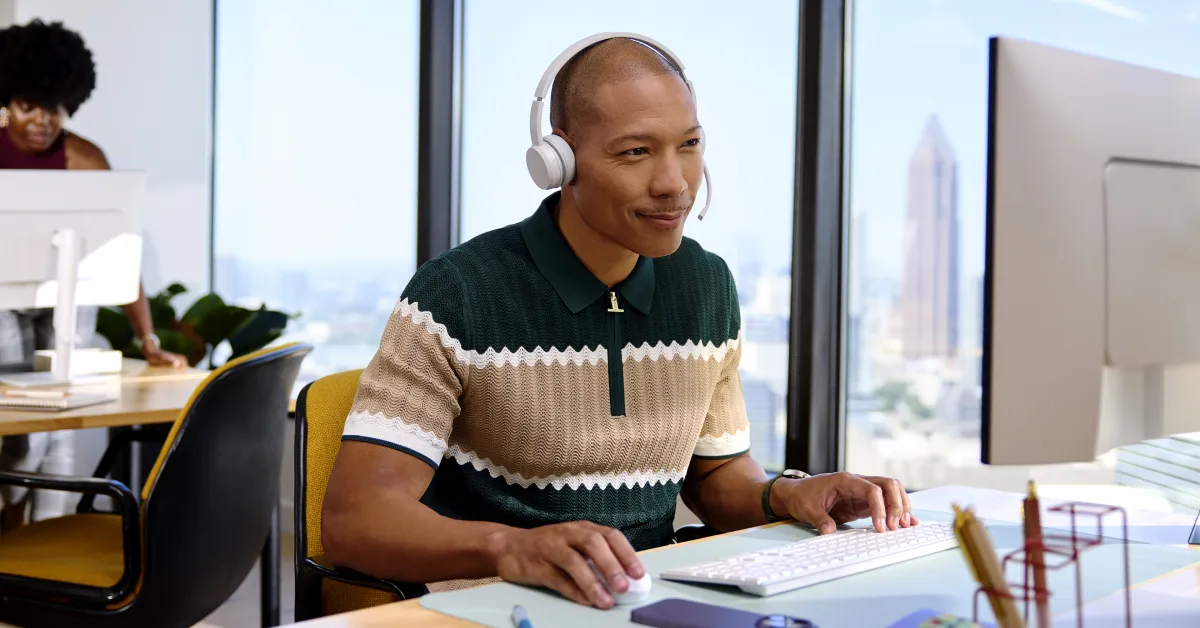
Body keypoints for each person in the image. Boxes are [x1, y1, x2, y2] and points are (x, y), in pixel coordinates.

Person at [321, 35, 916, 609]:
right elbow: (356, 520)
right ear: (559, 160)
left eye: (688, 144)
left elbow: (717, 480)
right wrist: (512, 548)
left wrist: (789, 494)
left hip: (646, 600)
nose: (674, 183)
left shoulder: (706, 286)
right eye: (636, 152)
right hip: (495, 607)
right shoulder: (458, 293)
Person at [0, 19, 187, 531]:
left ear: (72, 102)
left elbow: (120, 257)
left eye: (55, 107)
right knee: (21, 433)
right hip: (2, 301)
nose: (41, 120)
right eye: (27, 105)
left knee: (59, 429)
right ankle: (14, 536)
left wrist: (147, 338)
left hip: (69, 300)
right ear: (8, 100)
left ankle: (47, 554)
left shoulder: (85, 160)